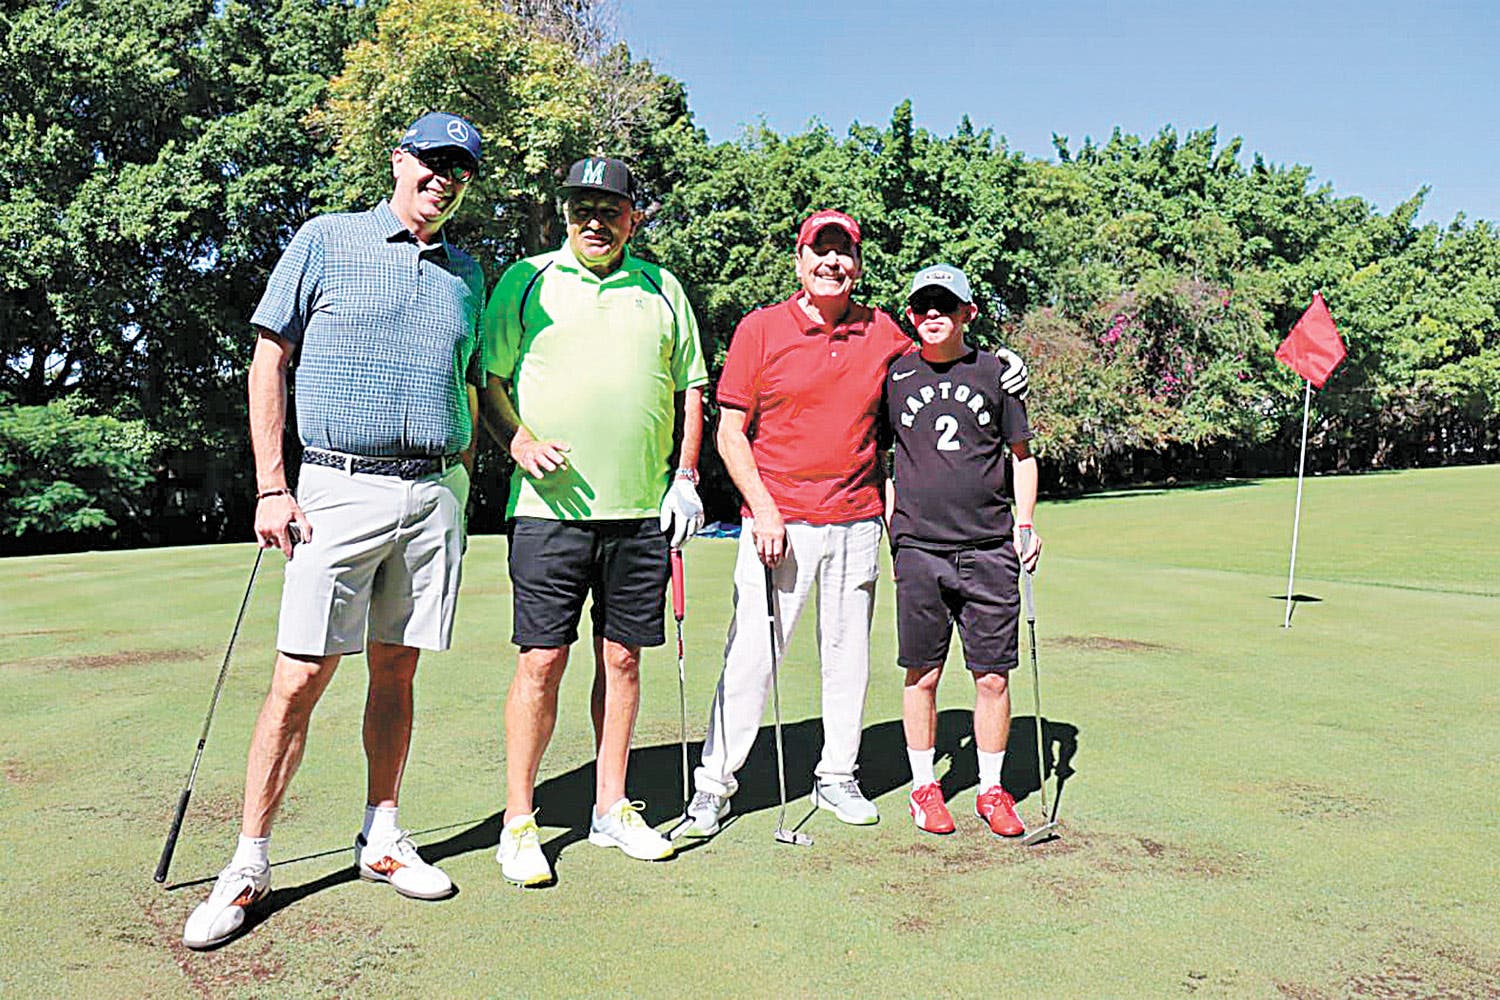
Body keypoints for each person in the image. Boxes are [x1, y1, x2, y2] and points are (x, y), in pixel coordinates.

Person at [182, 112, 486, 949]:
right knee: (299, 677)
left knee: (396, 671)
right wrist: (273, 486)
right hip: (334, 488)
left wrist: (461, 472)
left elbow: (465, 377)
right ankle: (248, 863)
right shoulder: (326, 237)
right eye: (433, 161)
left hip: (431, 497)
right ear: (399, 161)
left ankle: (380, 837)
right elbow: (269, 358)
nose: (445, 177)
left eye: (460, 167)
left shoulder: (468, 271)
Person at [683, 211, 1029, 836]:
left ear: (858, 266)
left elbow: (942, 355)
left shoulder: (882, 332)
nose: (832, 264)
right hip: (779, 523)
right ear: (799, 259)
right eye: (821, 252)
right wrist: (762, 508)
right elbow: (730, 434)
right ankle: (714, 784)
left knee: (848, 660)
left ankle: (837, 774)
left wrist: (1002, 361)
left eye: (844, 254)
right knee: (753, 658)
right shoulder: (761, 329)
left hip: (858, 520)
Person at [481, 157, 707, 886]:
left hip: (640, 512)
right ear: (565, 215)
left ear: (632, 218)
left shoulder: (662, 287)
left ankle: (610, 807)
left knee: (623, 659)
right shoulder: (527, 280)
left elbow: (691, 387)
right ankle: (520, 821)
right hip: (549, 512)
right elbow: (490, 381)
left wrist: (685, 477)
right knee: (542, 660)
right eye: (583, 208)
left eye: (611, 209)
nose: (596, 222)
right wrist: (515, 439)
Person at [882, 264, 1042, 837]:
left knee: (992, 677)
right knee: (921, 674)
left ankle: (992, 790)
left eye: (945, 306)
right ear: (911, 315)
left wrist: (1024, 523)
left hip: (989, 549)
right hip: (920, 550)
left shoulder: (996, 375)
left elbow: (1021, 456)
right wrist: (895, 533)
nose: (933, 316)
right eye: (923, 306)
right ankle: (925, 788)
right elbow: (884, 462)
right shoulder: (894, 375)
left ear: (967, 314)